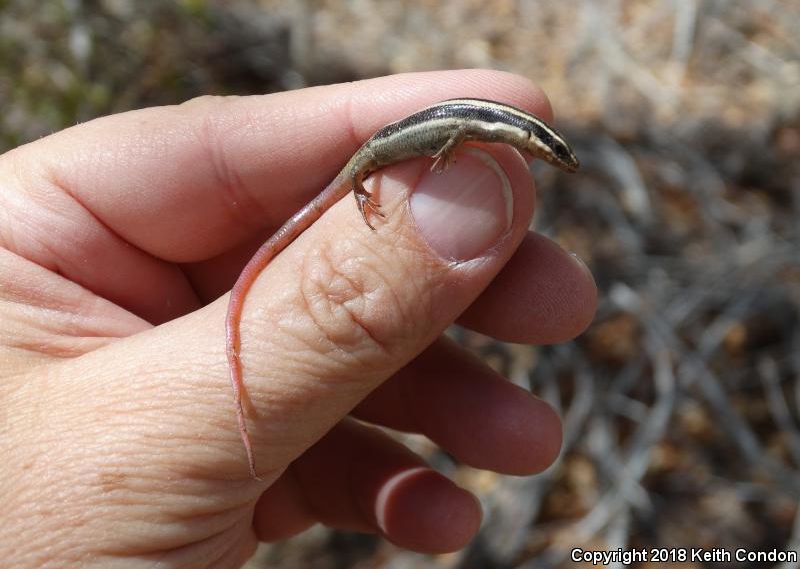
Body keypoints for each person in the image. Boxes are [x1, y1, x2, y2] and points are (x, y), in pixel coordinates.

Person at [0, 70, 596, 566]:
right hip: (376, 154)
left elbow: (469, 125)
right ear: (538, 143)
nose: (555, 160)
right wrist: (431, 169)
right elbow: (462, 127)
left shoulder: (499, 126)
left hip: (387, 151)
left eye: (556, 155)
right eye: (555, 154)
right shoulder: (491, 125)